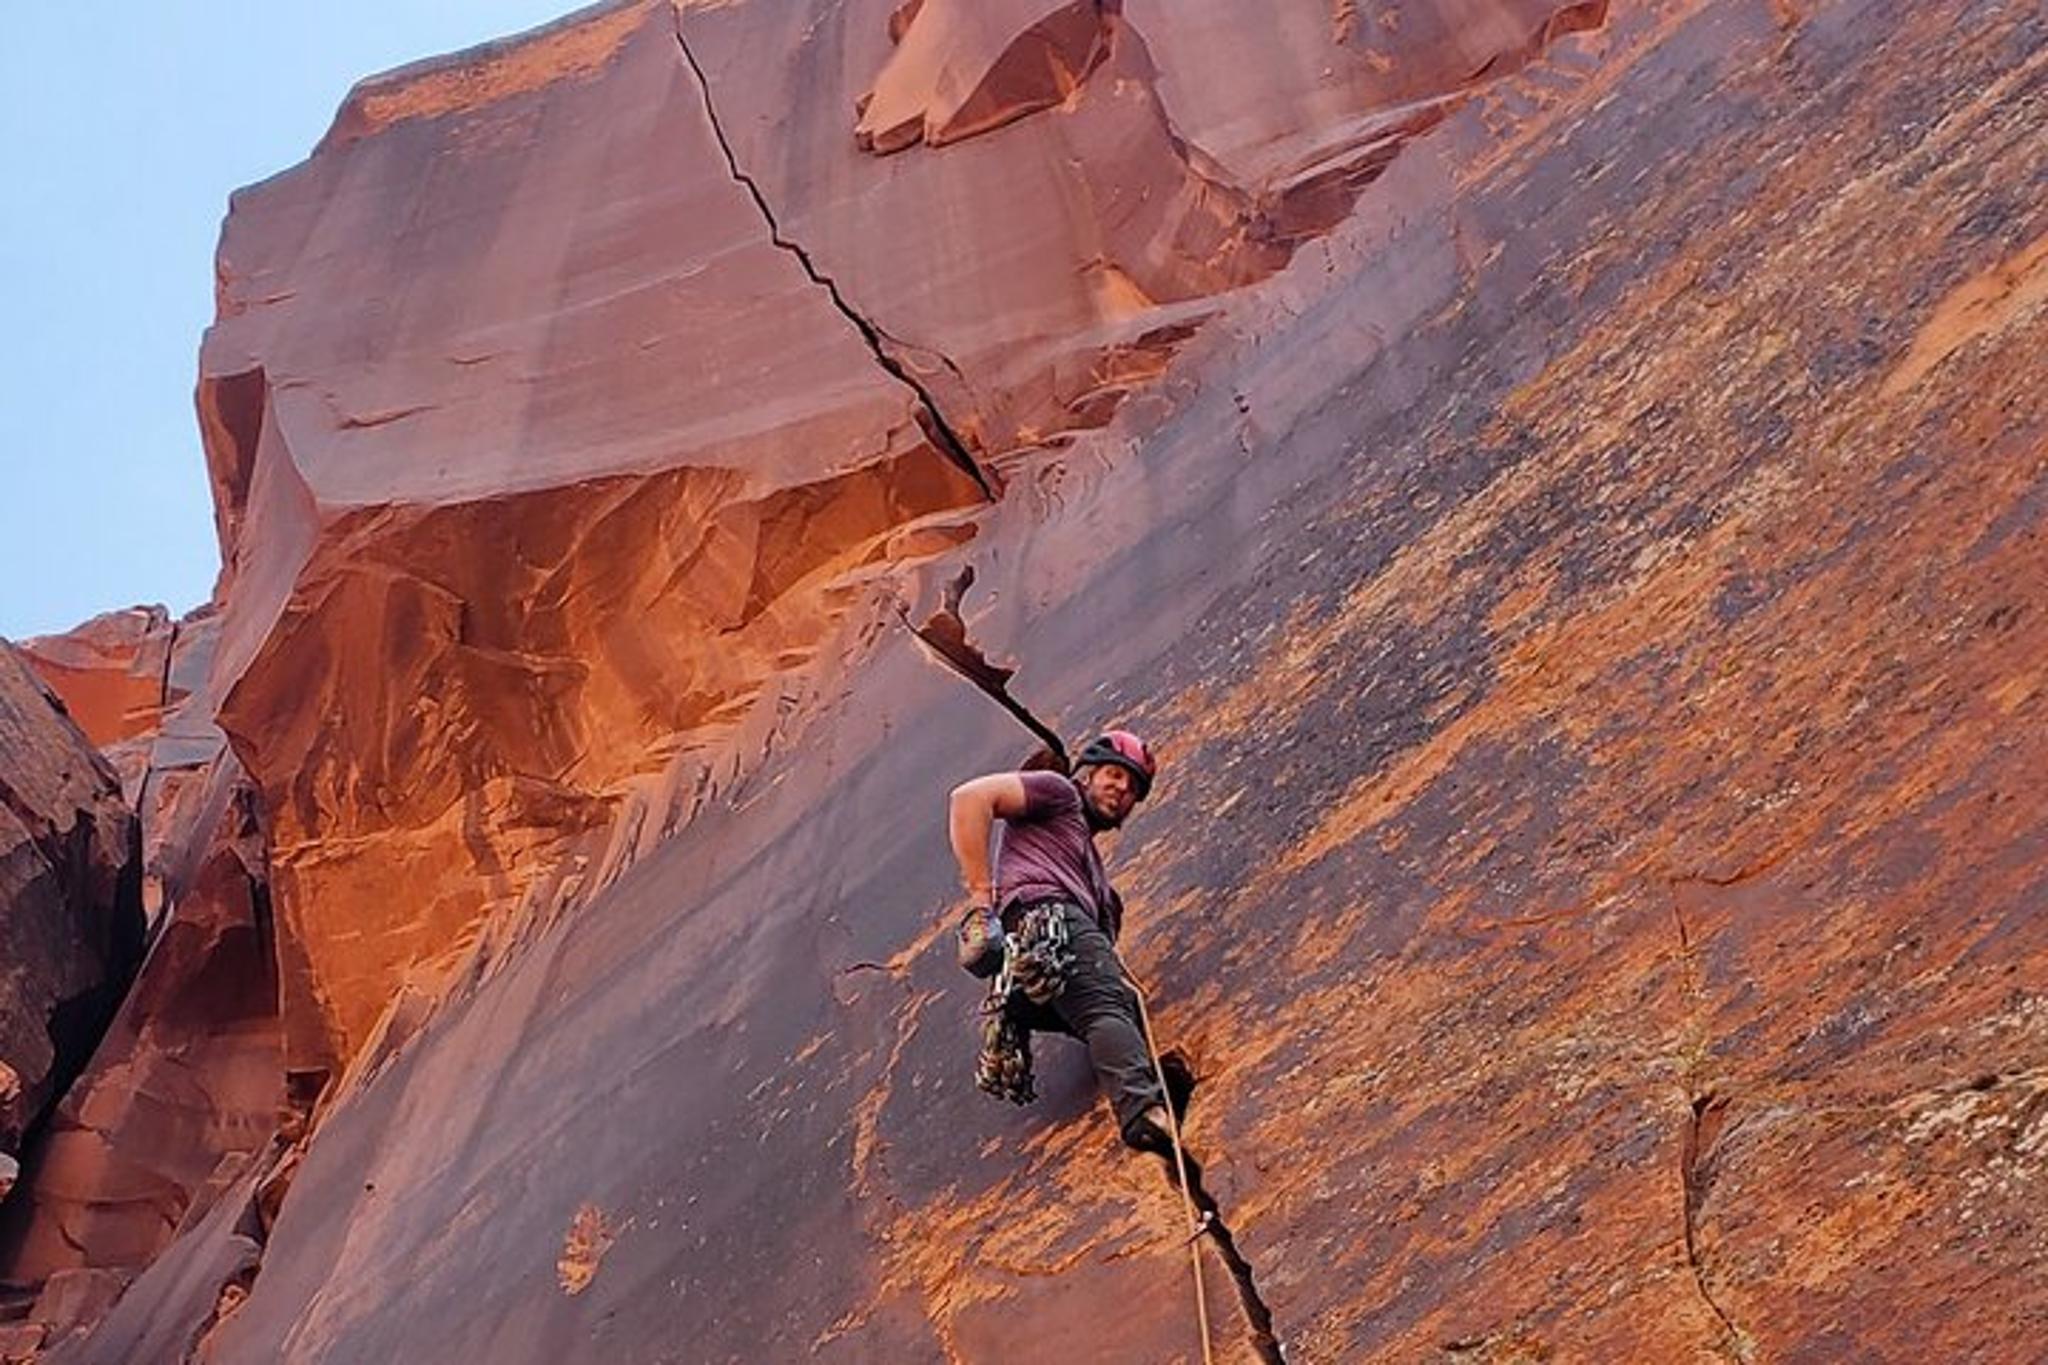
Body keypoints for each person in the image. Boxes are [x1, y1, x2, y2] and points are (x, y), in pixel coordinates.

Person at [946, 730, 1183, 1153]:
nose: (1122, 789)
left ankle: (1140, 1087)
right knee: (1105, 1005)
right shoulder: (1059, 794)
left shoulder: (1098, 884)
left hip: (1034, 970)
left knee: (1114, 1008)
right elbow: (970, 798)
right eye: (1114, 775)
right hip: (1047, 917)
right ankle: (1142, 1111)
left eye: (1133, 788)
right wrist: (982, 900)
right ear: (1086, 774)